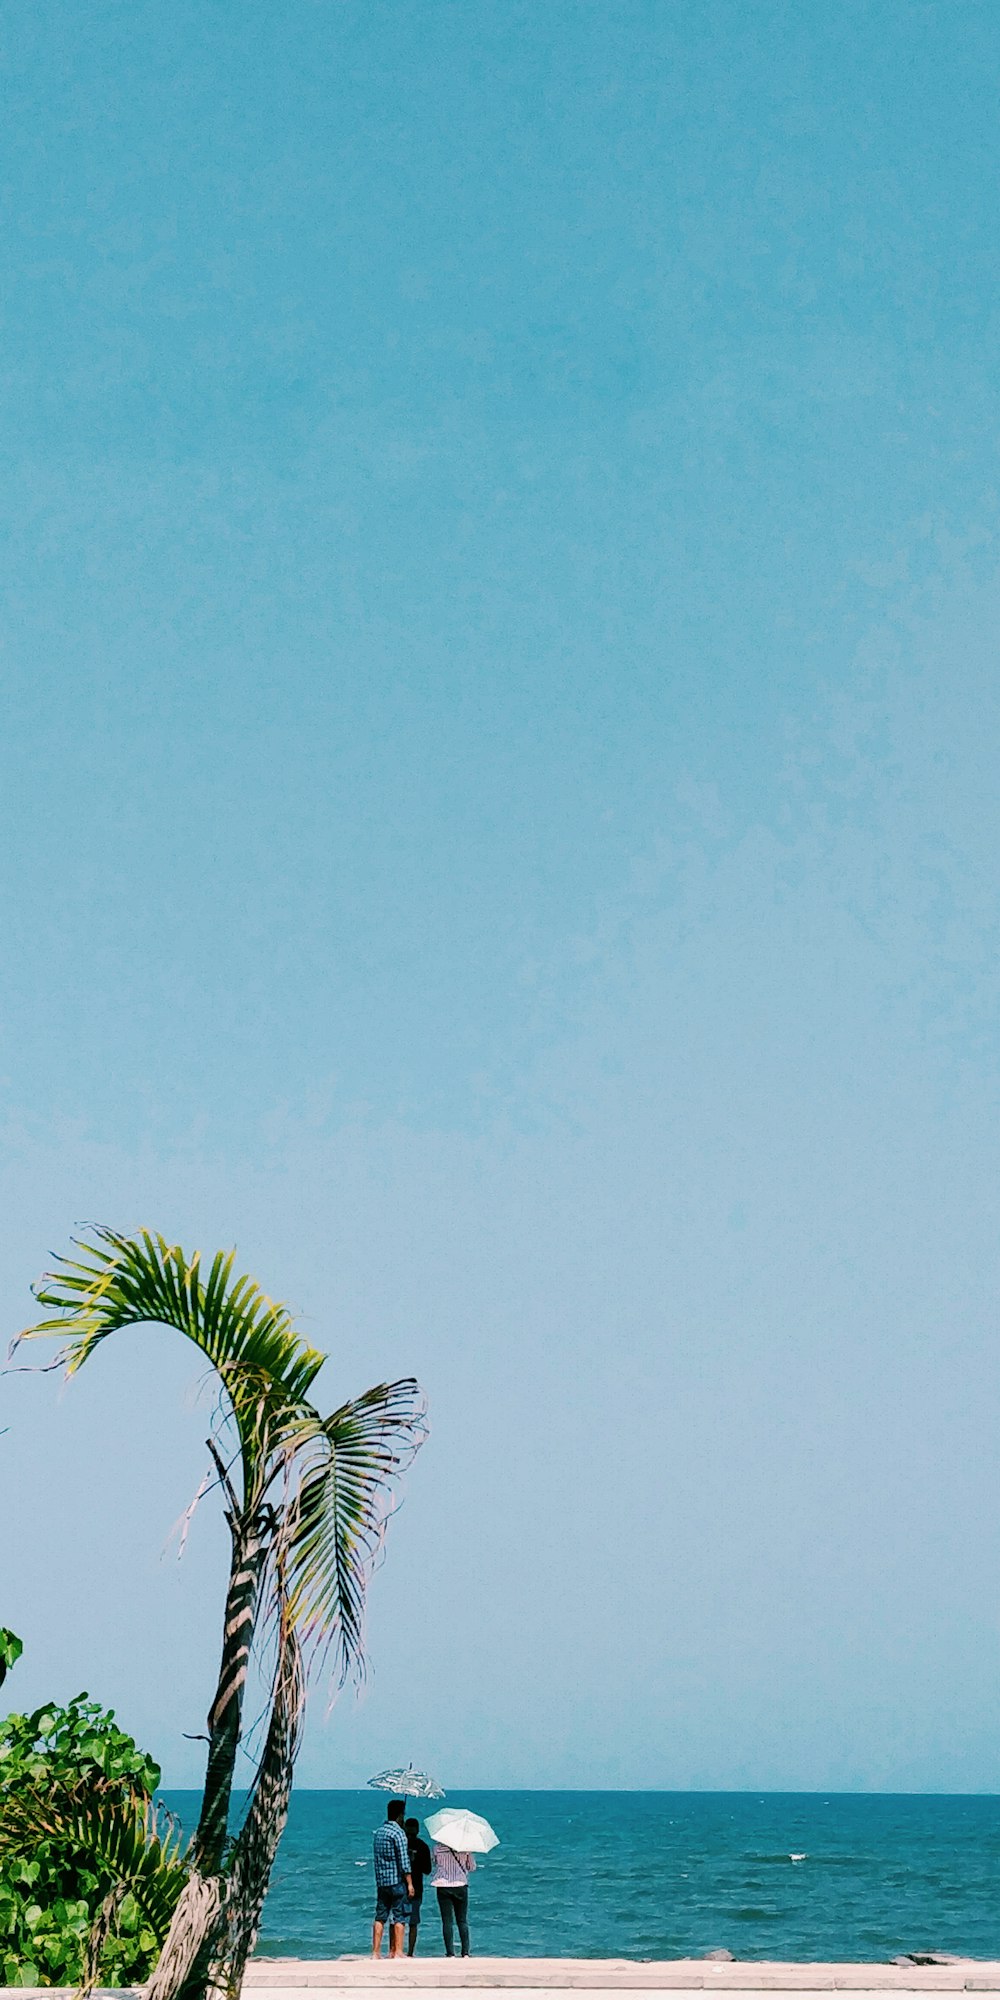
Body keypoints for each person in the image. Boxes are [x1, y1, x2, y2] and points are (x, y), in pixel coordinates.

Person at [371, 1799, 413, 1959]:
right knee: (399, 1916)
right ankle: (398, 1951)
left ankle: (375, 1952)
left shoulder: (379, 1832)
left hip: (382, 1881)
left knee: (380, 1916)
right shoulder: (398, 1833)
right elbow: (404, 1862)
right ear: (400, 1815)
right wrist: (409, 1883)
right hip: (396, 1881)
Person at [430, 1840, 476, 1957]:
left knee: (447, 1921)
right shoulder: (465, 1849)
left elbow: (434, 1863)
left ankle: (450, 1953)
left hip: (443, 1885)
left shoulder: (437, 1848)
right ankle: (465, 1952)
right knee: (462, 1920)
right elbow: (472, 1867)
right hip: (460, 1884)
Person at [404, 1817, 432, 1956]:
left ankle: (395, 1949)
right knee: (413, 1923)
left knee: (398, 1920)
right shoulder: (423, 1846)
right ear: (418, 1830)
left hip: (399, 1886)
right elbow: (427, 1870)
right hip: (417, 1887)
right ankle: (410, 1952)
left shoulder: (400, 1844)